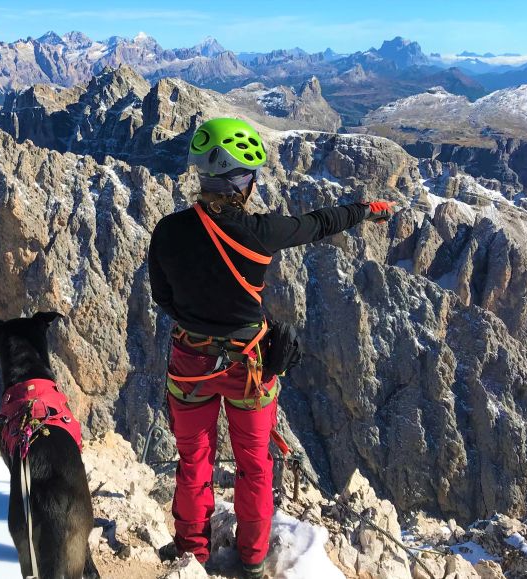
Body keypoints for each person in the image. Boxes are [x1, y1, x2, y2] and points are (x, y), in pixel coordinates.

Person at [147, 117, 395, 578]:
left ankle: (191, 550)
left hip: (191, 364)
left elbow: (164, 299)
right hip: (249, 368)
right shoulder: (261, 232)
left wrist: (201, 317)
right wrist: (364, 209)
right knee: (255, 465)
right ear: (245, 180)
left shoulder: (167, 231)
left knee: (194, 458)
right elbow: (319, 223)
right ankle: (254, 559)